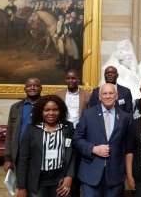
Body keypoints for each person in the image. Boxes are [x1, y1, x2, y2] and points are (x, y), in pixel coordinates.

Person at [73, 83, 131, 197]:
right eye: (104, 93)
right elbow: (76, 138)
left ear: (116, 96)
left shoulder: (124, 117)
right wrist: (93, 149)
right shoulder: (88, 114)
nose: (108, 96)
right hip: (91, 173)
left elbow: (126, 145)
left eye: (111, 93)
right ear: (99, 96)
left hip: (115, 175)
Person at [16, 95, 75, 197]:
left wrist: (69, 176)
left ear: (60, 110)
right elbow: (23, 159)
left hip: (60, 179)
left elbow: (72, 154)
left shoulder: (67, 127)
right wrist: (21, 187)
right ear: (40, 111)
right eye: (46, 110)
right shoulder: (31, 129)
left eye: (55, 110)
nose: (51, 113)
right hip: (37, 180)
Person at [55, 69, 90, 197]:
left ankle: (77, 188)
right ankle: (65, 188)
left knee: (78, 160)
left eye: (73, 78)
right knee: (65, 159)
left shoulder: (87, 95)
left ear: (78, 79)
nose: (71, 81)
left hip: (80, 132)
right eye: (68, 78)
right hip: (64, 131)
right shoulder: (58, 94)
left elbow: (89, 114)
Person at [3, 77, 42, 173]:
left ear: (41, 88)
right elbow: (9, 133)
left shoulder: (48, 106)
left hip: (42, 153)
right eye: (29, 86)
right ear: (24, 89)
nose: (32, 88)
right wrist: (8, 158)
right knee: (22, 184)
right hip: (20, 153)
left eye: (36, 85)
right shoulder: (16, 107)